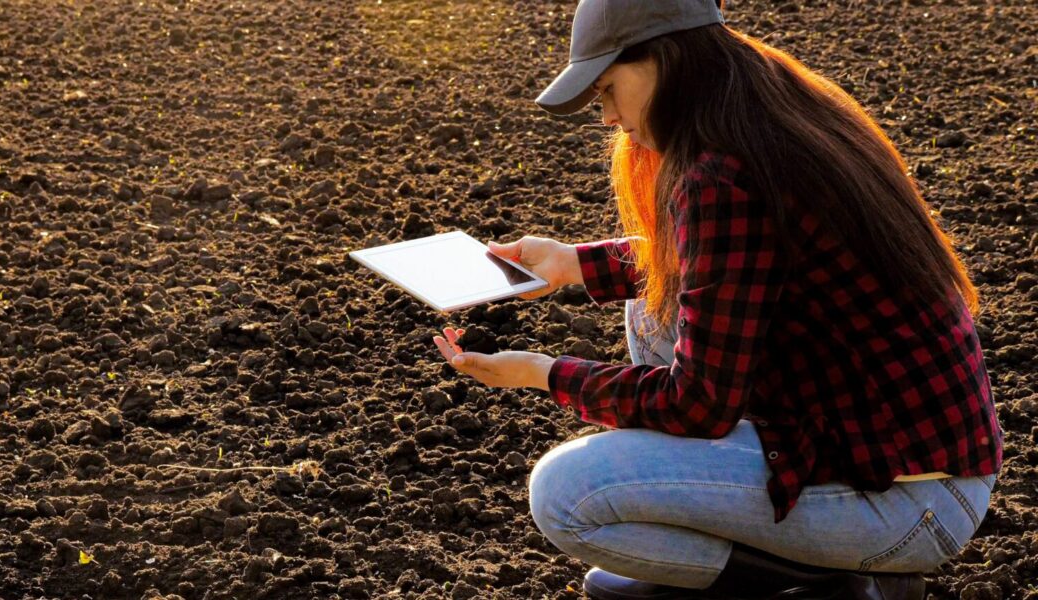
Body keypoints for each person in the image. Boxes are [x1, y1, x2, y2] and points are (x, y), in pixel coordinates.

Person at [430, 0, 1004, 599]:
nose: (605, 117)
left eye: (606, 90)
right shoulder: (769, 106)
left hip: (906, 502)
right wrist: (573, 264)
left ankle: (830, 587)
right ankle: (784, 549)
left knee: (566, 495)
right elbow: (719, 264)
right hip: (910, 456)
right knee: (653, 307)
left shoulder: (720, 173)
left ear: (664, 61)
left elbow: (697, 405)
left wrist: (544, 374)